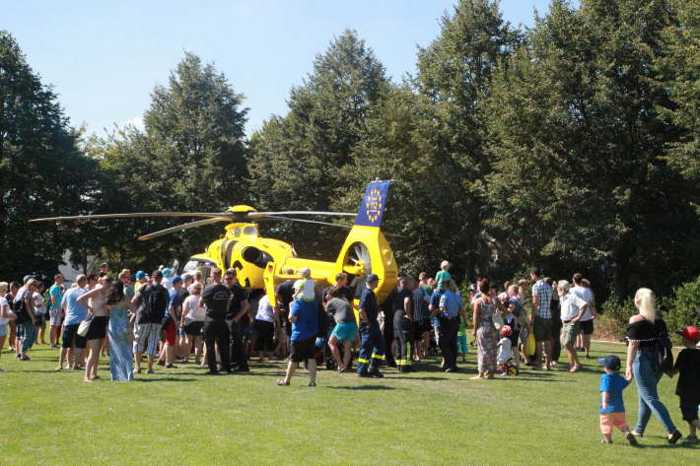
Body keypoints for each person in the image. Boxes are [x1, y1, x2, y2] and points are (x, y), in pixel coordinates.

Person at [625, 288, 682, 443]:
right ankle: (639, 429)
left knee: (649, 396)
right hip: (658, 362)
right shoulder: (660, 321)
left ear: (637, 301)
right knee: (645, 396)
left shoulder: (635, 320)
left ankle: (672, 430)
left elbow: (632, 345)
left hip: (642, 359)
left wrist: (628, 366)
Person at [277, 280, 320, 386]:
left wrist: (291, 307)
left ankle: (287, 380)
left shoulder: (298, 303)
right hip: (311, 333)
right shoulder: (313, 301)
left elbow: (292, 318)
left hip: (299, 334)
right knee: (310, 357)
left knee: (293, 358)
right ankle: (312, 381)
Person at [132, 270, 169, 375]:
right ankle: (149, 368)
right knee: (152, 343)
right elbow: (167, 304)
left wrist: (136, 312)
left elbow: (133, 300)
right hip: (157, 319)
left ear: (152, 277)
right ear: (161, 279)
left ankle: (137, 367)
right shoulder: (164, 290)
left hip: (143, 317)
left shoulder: (144, 287)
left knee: (139, 341)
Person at [78, 275, 112, 382]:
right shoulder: (97, 290)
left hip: (103, 321)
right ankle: (86, 376)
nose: (109, 285)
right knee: (94, 351)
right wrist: (90, 308)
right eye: (107, 282)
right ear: (103, 282)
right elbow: (80, 299)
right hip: (95, 321)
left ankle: (94, 374)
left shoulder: (107, 292)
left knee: (98, 351)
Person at [598, 355, 637, 445]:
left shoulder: (605, 378)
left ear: (606, 368)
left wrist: (604, 402)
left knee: (606, 424)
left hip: (607, 408)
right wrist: (630, 376)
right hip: (619, 408)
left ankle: (607, 439)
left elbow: (605, 390)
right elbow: (626, 382)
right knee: (621, 423)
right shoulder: (619, 378)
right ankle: (627, 433)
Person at [670, 325, 700, 444]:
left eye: (683, 337)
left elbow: (674, 371)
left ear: (686, 340)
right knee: (693, 412)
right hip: (698, 389)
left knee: (688, 414)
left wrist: (663, 367)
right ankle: (692, 436)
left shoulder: (684, 353)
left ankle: (693, 434)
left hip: (687, 389)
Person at [201, 268, 231, 375]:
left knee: (210, 345)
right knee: (223, 344)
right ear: (220, 275)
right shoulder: (226, 290)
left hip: (211, 319)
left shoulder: (208, 289)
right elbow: (228, 304)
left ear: (213, 276)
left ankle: (213, 369)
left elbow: (201, 303)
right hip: (222, 319)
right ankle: (226, 367)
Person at [356, 274, 385, 378]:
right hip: (368, 325)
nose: (378, 283)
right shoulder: (366, 293)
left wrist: (380, 312)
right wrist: (367, 322)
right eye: (377, 281)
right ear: (373, 282)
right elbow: (361, 310)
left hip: (373, 324)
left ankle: (373, 368)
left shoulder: (371, 293)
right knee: (366, 347)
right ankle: (362, 370)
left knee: (380, 345)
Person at [58, 275, 88, 370]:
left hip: (69, 320)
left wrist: (68, 313)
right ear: (83, 281)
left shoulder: (68, 291)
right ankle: (75, 365)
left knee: (65, 344)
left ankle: (60, 364)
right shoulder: (85, 292)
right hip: (82, 321)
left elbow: (62, 305)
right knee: (79, 344)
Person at [557, 280, 588, 373]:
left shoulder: (572, 297)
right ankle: (572, 364)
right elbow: (558, 293)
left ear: (563, 289)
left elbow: (584, 305)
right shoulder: (562, 297)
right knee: (566, 344)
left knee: (567, 343)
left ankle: (577, 364)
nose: (558, 289)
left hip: (571, 323)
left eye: (559, 287)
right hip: (564, 323)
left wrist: (578, 317)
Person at [106, 281, 133, 381]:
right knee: (126, 351)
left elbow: (107, 311)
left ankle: (116, 375)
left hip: (113, 326)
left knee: (114, 351)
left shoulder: (109, 299)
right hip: (124, 325)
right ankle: (128, 375)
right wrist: (131, 320)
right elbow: (134, 310)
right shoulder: (125, 298)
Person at [224, 268, 250, 372]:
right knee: (232, 342)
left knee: (235, 342)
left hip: (234, 320)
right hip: (225, 319)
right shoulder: (224, 289)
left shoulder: (239, 290)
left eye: (230, 278)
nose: (228, 280)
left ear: (235, 278)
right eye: (226, 278)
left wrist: (236, 318)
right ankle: (237, 365)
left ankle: (237, 364)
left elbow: (246, 306)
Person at [326, 286, 357, 373]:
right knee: (347, 347)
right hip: (352, 325)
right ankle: (344, 367)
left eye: (327, 294)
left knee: (331, 343)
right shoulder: (344, 299)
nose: (325, 297)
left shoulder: (331, 301)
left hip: (342, 324)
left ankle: (340, 364)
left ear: (330, 295)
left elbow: (326, 311)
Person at [434, 280, 463, 372]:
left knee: (443, 343)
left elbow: (442, 308)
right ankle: (453, 364)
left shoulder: (444, 296)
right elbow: (460, 309)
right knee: (453, 344)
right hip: (455, 321)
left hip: (446, 322)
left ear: (446, 286)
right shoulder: (457, 296)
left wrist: (447, 315)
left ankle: (449, 364)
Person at [472, 278, 497, 380]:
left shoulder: (478, 301)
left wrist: (474, 329)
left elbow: (475, 316)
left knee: (482, 350)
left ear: (480, 289)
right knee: (492, 350)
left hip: (482, 327)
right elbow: (502, 312)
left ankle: (481, 373)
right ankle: (490, 372)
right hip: (492, 327)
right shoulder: (493, 300)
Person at [530, 268, 554, 370]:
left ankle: (539, 363)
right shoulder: (549, 286)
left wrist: (532, 316)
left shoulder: (536, 286)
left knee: (539, 341)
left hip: (539, 316)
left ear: (534, 275)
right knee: (547, 341)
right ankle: (547, 364)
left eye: (531, 275)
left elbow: (535, 303)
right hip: (548, 315)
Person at [160, 276, 185, 368]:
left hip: (166, 318)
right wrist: (175, 320)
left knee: (168, 340)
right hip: (170, 319)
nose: (182, 285)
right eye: (180, 283)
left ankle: (162, 359)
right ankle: (168, 362)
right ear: (176, 283)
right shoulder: (175, 294)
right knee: (170, 341)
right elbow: (170, 308)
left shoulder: (170, 292)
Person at [392, 276, 414, 372]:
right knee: (406, 342)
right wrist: (408, 314)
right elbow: (407, 301)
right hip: (403, 317)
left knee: (398, 340)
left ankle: (399, 365)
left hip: (395, 317)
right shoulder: (407, 291)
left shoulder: (395, 292)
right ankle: (405, 367)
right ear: (407, 283)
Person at [14, 277, 38, 360]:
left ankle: (21, 353)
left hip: (20, 316)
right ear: (31, 285)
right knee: (29, 335)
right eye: (35, 286)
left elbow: (15, 301)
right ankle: (22, 354)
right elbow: (27, 305)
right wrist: (32, 317)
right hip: (26, 316)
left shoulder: (21, 289)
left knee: (22, 335)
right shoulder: (27, 291)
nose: (36, 288)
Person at [181, 282, 205, 365]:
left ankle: (186, 357)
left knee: (189, 340)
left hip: (190, 321)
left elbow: (184, 312)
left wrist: (181, 321)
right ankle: (197, 358)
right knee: (198, 341)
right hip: (201, 321)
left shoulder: (189, 298)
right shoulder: (203, 298)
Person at [573, 274, 596, 358]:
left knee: (573, 335)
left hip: (576, 316)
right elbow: (591, 303)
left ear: (574, 280)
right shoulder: (588, 291)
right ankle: (587, 353)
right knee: (587, 337)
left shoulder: (572, 290)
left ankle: (574, 352)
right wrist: (594, 313)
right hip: (587, 317)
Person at [412, 272, 431, 361]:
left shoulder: (411, 292)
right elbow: (429, 300)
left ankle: (418, 355)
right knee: (426, 334)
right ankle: (425, 352)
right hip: (425, 315)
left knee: (417, 338)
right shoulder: (425, 289)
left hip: (416, 316)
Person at [0, 282, 18, 371]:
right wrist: (13, 316)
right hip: (1, 325)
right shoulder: (3, 300)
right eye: (6, 289)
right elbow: (3, 314)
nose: (7, 290)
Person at [252, 294, 275, 361]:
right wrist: (278, 322)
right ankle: (270, 357)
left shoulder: (262, 298)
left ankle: (261, 357)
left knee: (260, 338)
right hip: (268, 320)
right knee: (269, 338)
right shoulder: (272, 298)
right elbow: (275, 311)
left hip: (259, 319)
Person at [48, 274, 65, 348]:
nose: (62, 280)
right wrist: (57, 308)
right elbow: (52, 298)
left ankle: (53, 343)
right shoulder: (54, 287)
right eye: (61, 279)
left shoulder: (58, 287)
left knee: (55, 326)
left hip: (57, 308)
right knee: (53, 326)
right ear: (57, 279)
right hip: (55, 308)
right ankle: (52, 343)